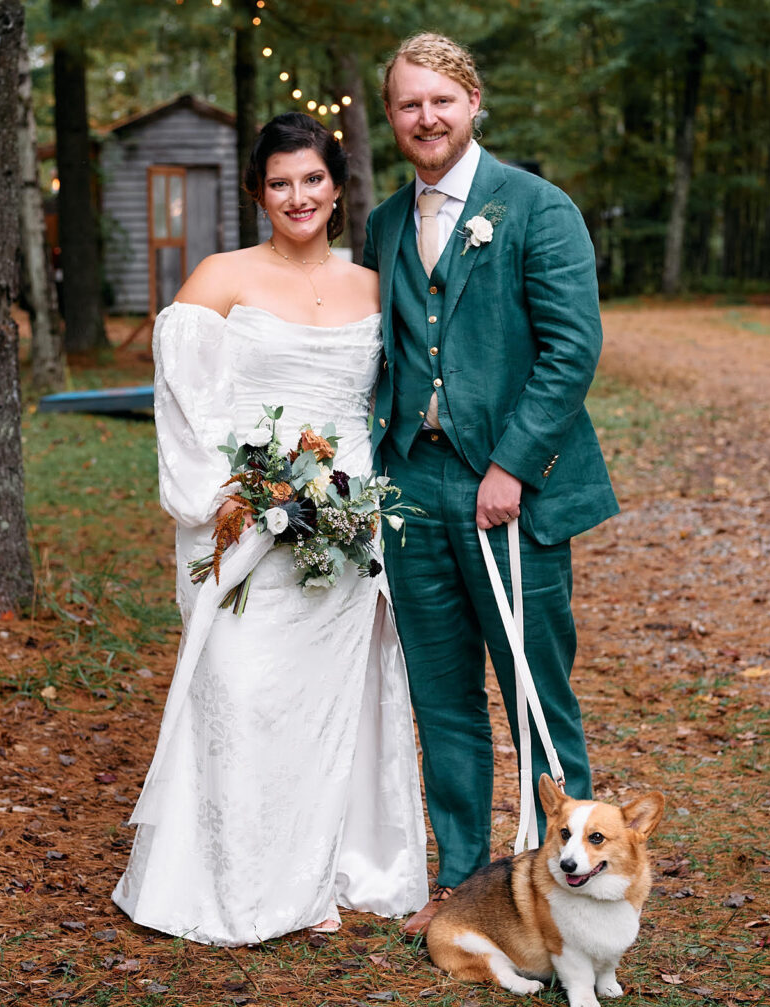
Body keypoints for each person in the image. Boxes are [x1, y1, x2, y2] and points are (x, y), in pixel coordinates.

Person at [112, 112, 428, 945]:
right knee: (243, 697)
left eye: (313, 180)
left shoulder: (371, 283)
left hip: (348, 527)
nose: (299, 196)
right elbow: (184, 402)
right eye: (281, 182)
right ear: (259, 191)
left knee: (330, 709)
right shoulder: (221, 276)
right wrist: (230, 495)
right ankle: (236, 881)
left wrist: (360, 504)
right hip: (243, 518)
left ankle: (321, 872)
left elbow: (381, 406)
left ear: (336, 186)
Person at [364, 34, 619, 935]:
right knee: (441, 698)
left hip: (512, 491)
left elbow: (570, 351)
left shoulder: (538, 208)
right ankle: (466, 883)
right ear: (390, 116)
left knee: (535, 696)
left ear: (473, 102)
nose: (424, 118)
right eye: (407, 104)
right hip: (412, 490)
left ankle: (578, 892)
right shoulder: (386, 221)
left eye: (440, 100)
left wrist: (511, 465)